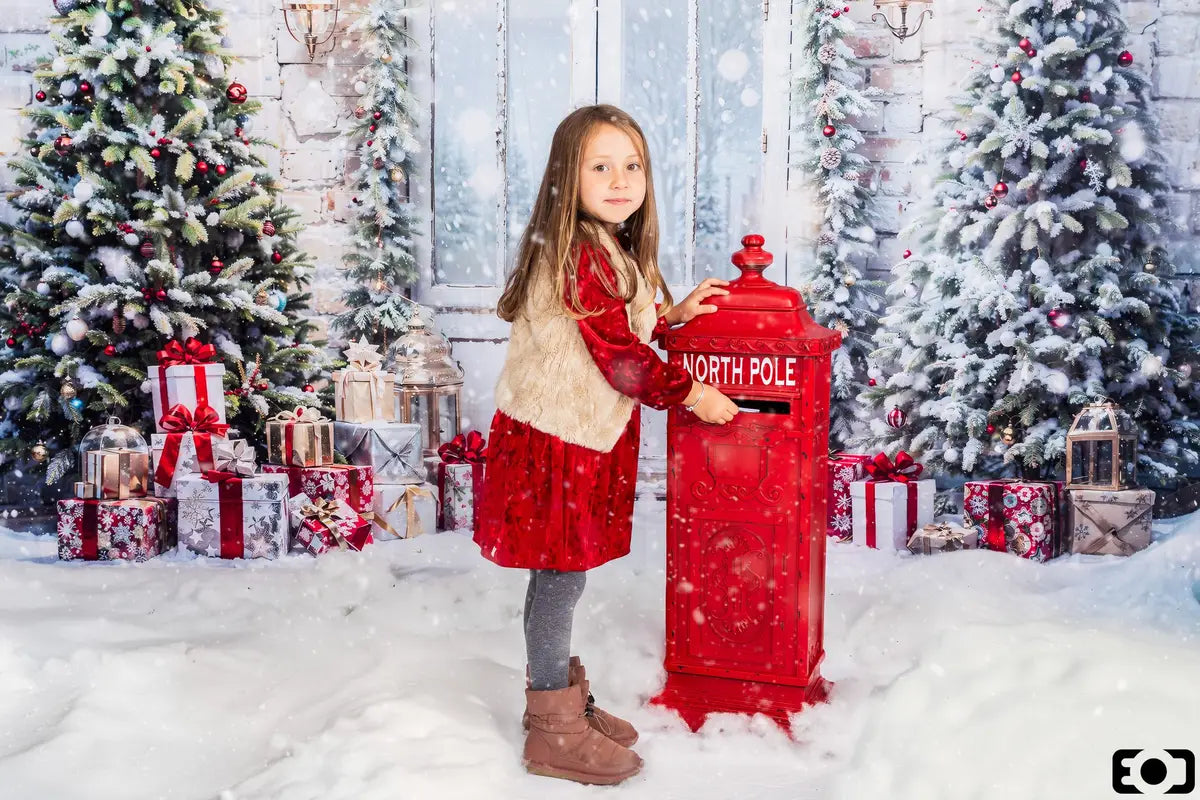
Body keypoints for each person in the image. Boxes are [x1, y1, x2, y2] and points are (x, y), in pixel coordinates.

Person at [474, 104, 740, 785]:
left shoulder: (602, 245)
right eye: (601, 166)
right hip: (554, 441)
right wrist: (695, 394)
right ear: (569, 175)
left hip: (573, 439)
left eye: (633, 165)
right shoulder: (576, 254)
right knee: (560, 578)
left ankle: (560, 696)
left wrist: (670, 314)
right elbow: (620, 358)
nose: (621, 179)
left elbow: (616, 325)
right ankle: (552, 728)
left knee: (563, 575)